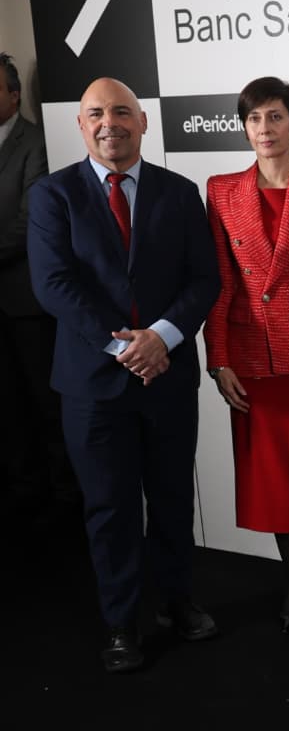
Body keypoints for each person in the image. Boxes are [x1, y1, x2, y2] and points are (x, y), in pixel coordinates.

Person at [27, 77, 221, 672]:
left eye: (120, 112)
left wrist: (161, 337)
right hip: (93, 386)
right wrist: (124, 347)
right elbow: (54, 285)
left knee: (171, 499)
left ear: (143, 122)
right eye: (95, 114)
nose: (108, 123)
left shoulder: (180, 192)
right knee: (109, 508)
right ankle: (120, 622)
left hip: (168, 375)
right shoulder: (52, 195)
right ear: (81, 126)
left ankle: (176, 602)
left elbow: (204, 279)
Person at [204, 76, 289, 633]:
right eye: (255, 118)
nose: (265, 128)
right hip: (254, 357)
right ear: (244, 127)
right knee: (279, 479)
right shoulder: (220, 190)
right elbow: (220, 282)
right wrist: (219, 359)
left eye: (276, 116)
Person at [0, 51, 78, 536]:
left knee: (45, 405)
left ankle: (64, 499)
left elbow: (30, 223)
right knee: (7, 407)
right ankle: (24, 493)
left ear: (14, 94)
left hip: (27, 304)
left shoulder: (37, 144)